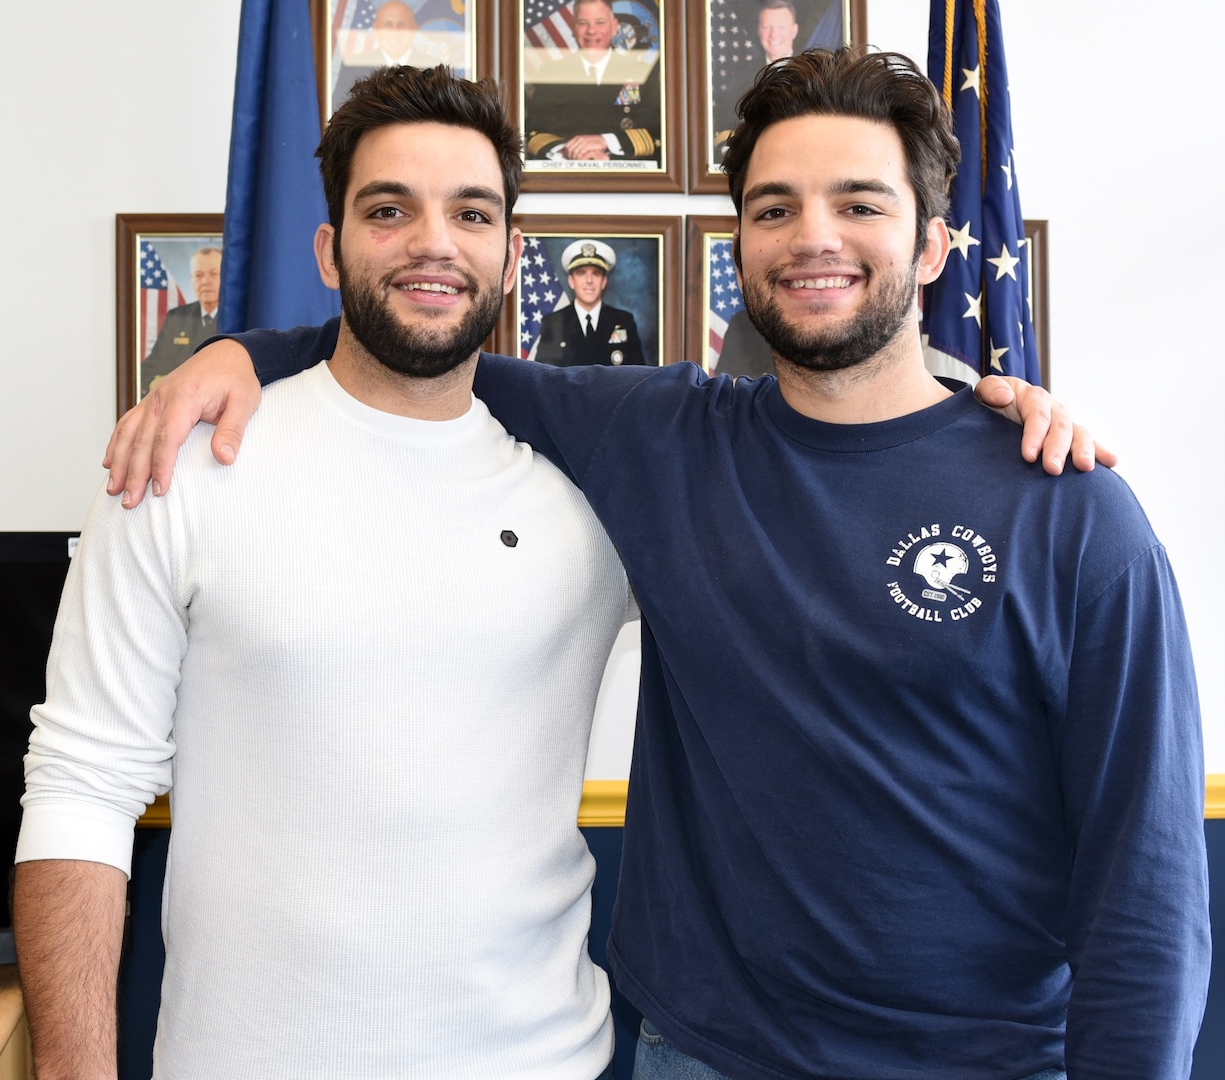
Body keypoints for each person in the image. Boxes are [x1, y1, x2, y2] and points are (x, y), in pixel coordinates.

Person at [100, 52, 1195, 1080]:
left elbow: (1142, 887)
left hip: (982, 1062)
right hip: (701, 1053)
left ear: (929, 248)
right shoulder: (663, 439)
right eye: (774, 208)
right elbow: (421, 342)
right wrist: (238, 352)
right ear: (739, 245)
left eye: (858, 203)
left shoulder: (1069, 511)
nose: (812, 237)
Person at [13, 66, 632, 1080]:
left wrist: (979, 428)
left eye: (468, 212)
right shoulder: (182, 463)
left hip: (543, 1061)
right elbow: (82, 786)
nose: (433, 241)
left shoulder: (596, 497)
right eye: (388, 209)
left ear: (512, 256)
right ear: (328, 247)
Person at [525, 0, 661, 163]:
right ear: (573, 28)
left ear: (614, 27)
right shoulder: (552, 73)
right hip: (566, 170)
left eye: (600, 22)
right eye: (583, 23)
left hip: (627, 172)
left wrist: (606, 141)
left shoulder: (644, 72)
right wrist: (567, 151)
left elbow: (659, 130)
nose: (591, 31)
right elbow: (534, 130)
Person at [711, 1, 804, 159]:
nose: (773, 34)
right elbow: (728, 122)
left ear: (794, 31)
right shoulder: (742, 72)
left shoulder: (811, 71)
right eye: (767, 27)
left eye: (781, 27)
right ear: (759, 30)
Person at [533, 239, 648, 367]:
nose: (589, 280)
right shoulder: (554, 323)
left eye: (596, 273)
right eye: (581, 273)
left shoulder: (623, 321)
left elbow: (638, 374)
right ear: (571, 281)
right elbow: (544, 376)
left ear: (604, 281)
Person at [137, 246, 221, 395]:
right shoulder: (177, 318)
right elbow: (150, 368)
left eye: (214, 274)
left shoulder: (239, 318)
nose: (205, 281)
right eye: (198, 275)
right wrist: (158, 385)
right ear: (191, 278)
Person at [331, 2, 444, 111]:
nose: (394, 31)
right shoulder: (352, 66)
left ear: (414, 29)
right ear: (376, 29)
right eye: (387, 24)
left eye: (401, 24)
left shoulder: (433, 69)